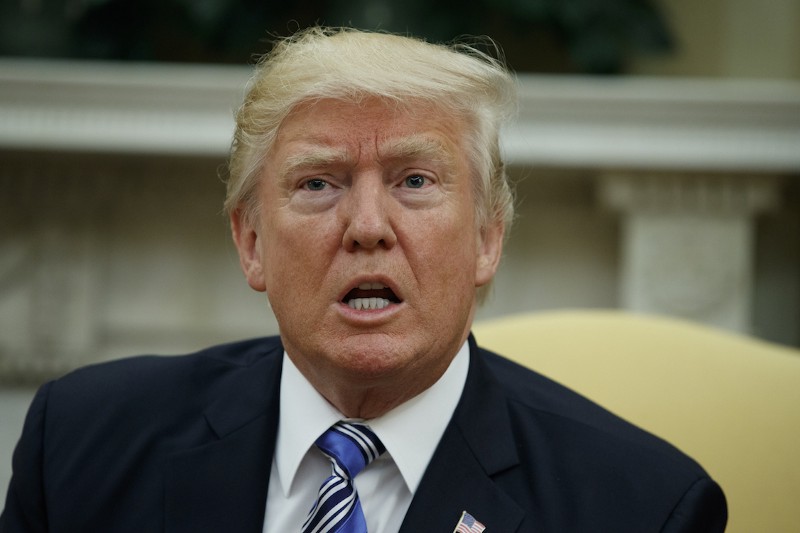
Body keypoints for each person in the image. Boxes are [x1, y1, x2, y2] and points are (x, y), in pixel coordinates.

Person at [0, 27, 726, 532]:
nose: (368, 225)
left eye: (414, 180)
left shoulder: (641, 506)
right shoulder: (82, 444)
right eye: (319, 183)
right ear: (251, 241)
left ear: (486, 238)